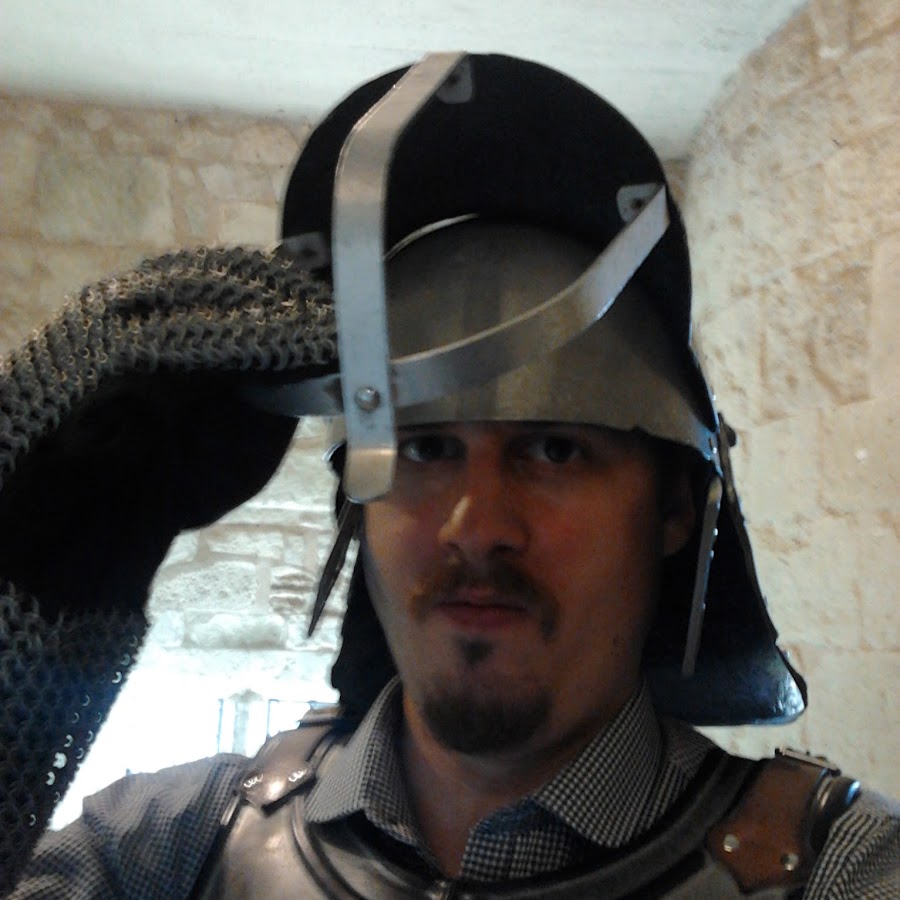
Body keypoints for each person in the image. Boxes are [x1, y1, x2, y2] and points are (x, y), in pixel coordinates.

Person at [2, 52, 898, 898]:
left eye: (555, 449)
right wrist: (26, 610)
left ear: (674, 507)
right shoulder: (164, 849)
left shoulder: (838, 874)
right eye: (425, 449)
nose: (477, 526)